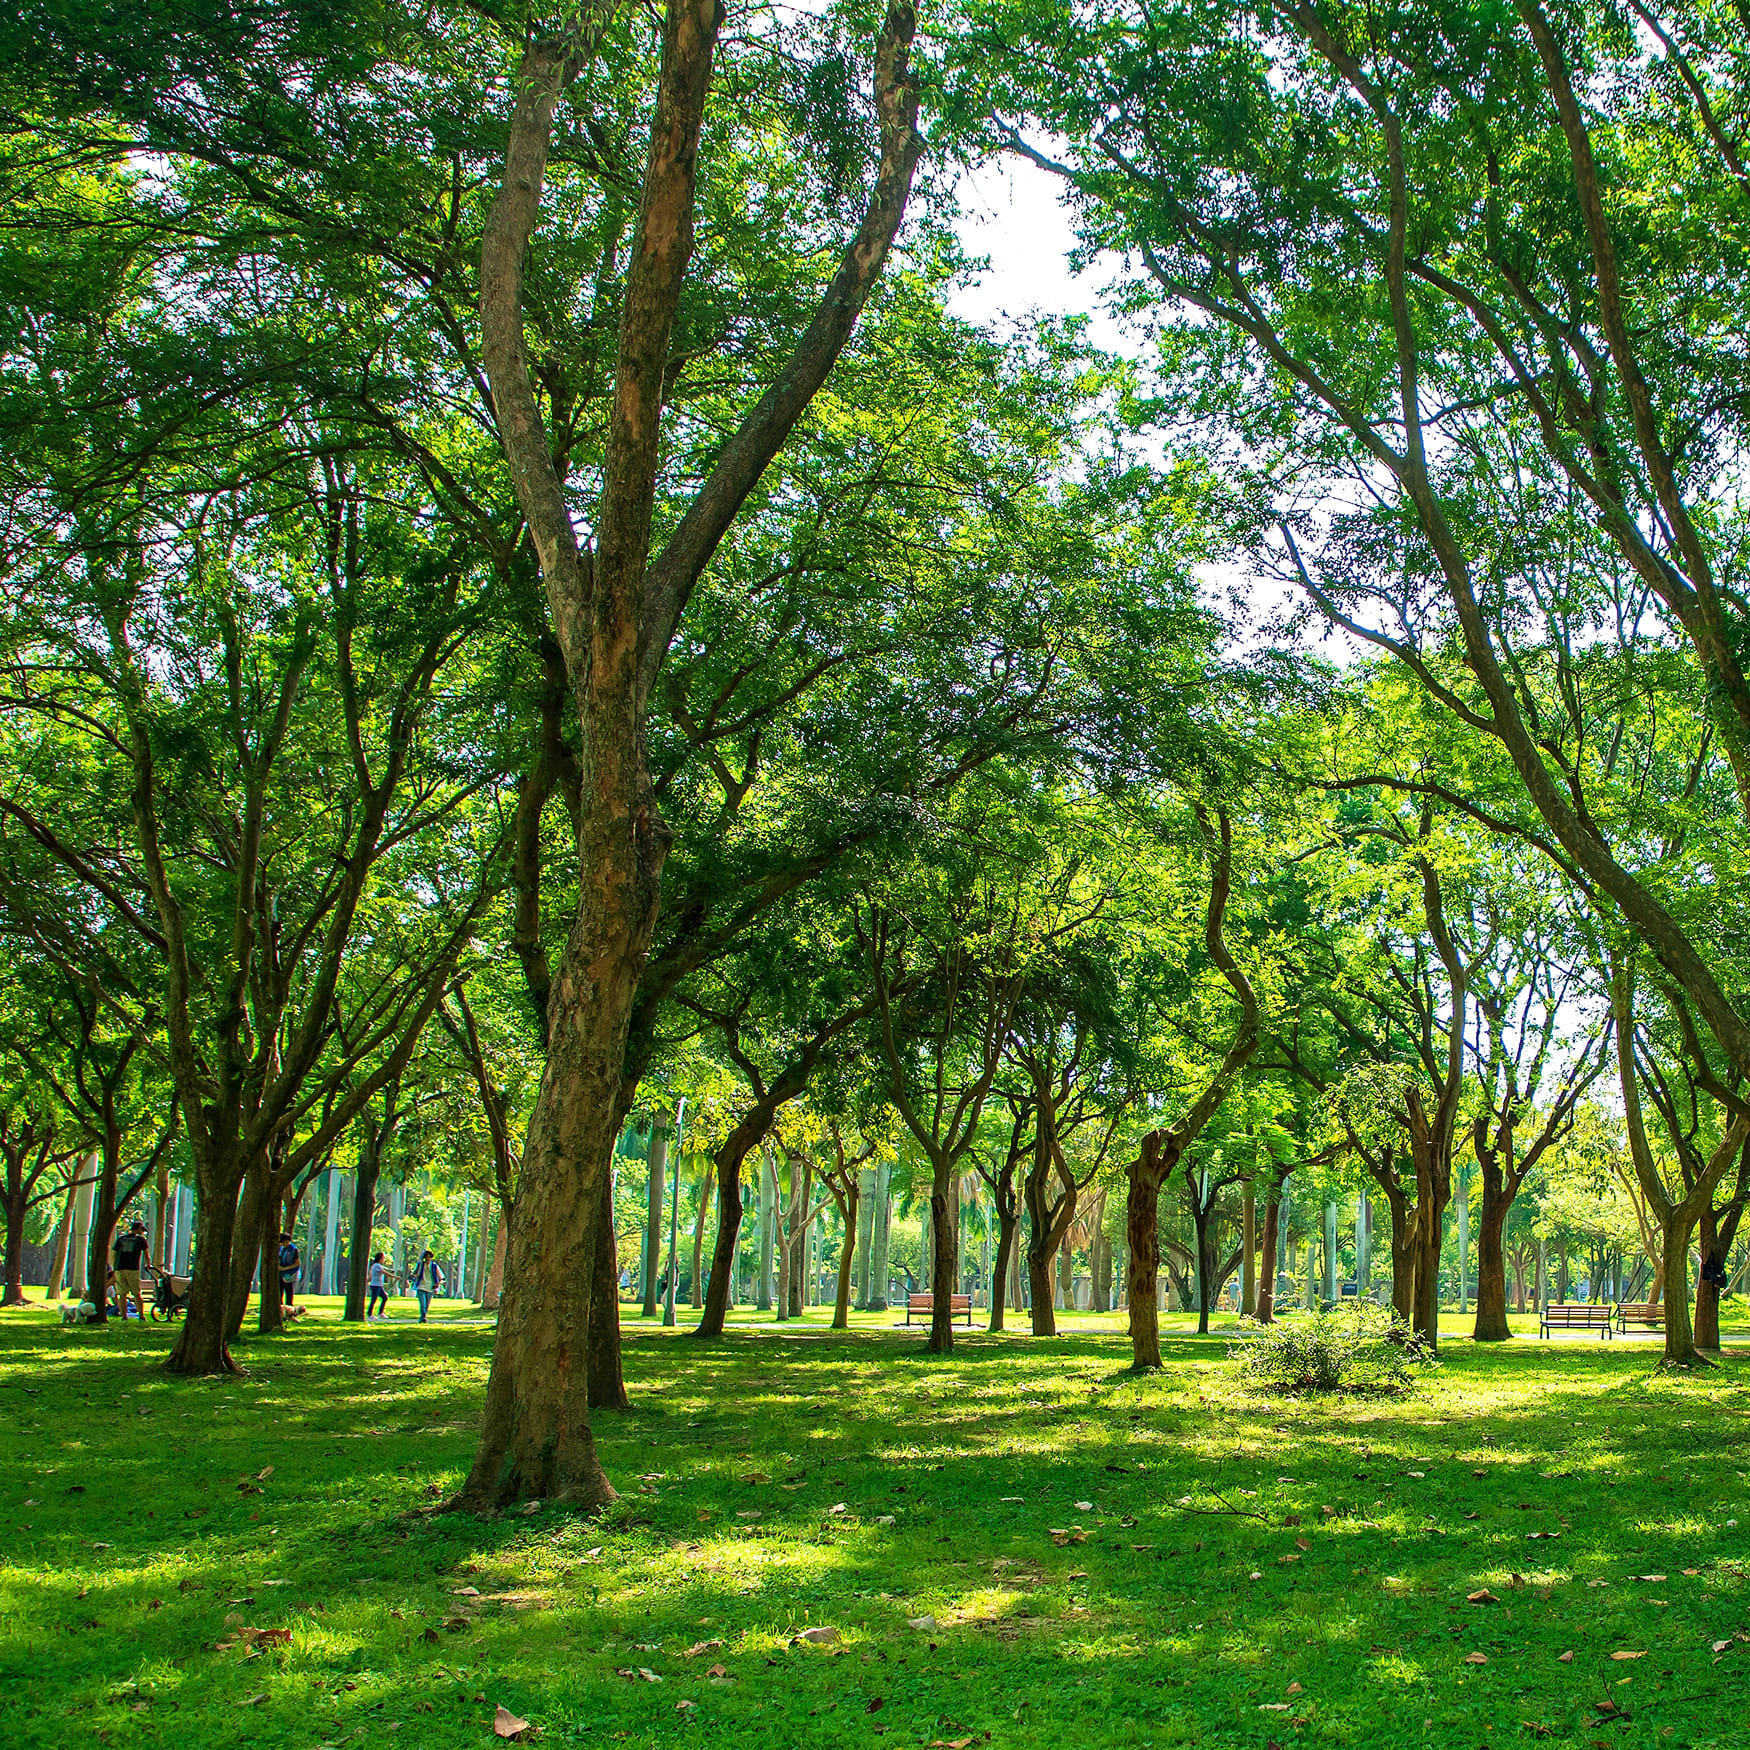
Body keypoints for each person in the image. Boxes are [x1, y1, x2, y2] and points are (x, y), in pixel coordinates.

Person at [113, 1220, 150, 1320]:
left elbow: (114, 1254)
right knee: (137, 1293)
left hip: (119, 1268)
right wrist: (149, 1264)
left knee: (122, 1294)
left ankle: (124, 1317)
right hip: (133, 1269)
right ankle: (141, 1316)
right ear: (138, 1229)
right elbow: (146, 1255)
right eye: (142, 1230)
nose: (142, 1232)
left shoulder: (121, 1239)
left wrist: (114, 1267)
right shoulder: (141, 1240)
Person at [411, 1249, 443, 1323]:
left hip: (430, 1287)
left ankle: (424, 1316)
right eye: (426, 1257)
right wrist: (414, 1276)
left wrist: (437, 1284)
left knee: (427, 1304)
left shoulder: (434, 1266)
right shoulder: (420, 1265)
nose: (428, 1259)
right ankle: (423, 1318)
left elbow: (441, 1277)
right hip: (421, 1286)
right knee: (423, 1304)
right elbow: (415, 1273)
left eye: (429, 1257)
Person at [277, 1231, 301, 1314]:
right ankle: (280, 1309)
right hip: (281, 1273)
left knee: (289, 1292)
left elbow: (297, 1263)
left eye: (286, 1242)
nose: (285, 1244)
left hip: (290, 1274)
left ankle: (289, 1310)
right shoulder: (281, 1249)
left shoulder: (293, 1250)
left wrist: (285, 1268)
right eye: (283, 1243)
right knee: (280, 1291)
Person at [366, 1251, 389, 1320]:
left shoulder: (374, 1266)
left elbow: (370, 1277)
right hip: (375, 1285)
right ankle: (370, 1314)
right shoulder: (377, 1266)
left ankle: (380, 1313)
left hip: (378, 1285)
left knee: (385, 1297)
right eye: (383, 1258)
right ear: (380, 1258)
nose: (384, 1260)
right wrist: (395, 1277)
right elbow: (385, 1273)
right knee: (374, 1300)